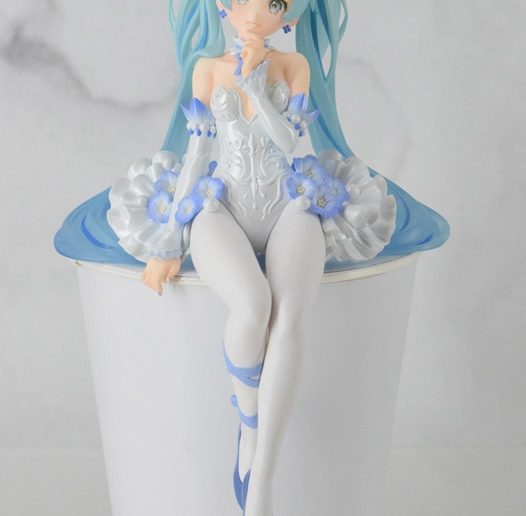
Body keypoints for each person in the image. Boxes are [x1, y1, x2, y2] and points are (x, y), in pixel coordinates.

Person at [98, 1, 439, 515]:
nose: (256, 13)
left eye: (274, 3)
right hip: (223, 205)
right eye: (243, 1)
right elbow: (196, 156)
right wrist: (167, 241)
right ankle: (250, 425)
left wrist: (257, 88)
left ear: (290, 15)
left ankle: (261, 481)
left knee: (290, 319)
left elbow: (288, 139)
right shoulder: (207, 69)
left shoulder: (292, 66)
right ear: (222, 6)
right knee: (253, 305)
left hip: (287, 202)